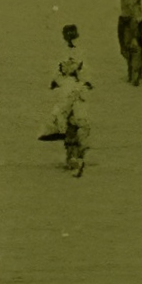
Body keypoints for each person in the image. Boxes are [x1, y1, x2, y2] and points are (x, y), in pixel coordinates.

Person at [44, 23, 92, 175]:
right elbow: (58, 71)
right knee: (66, 118)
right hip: (69, 89)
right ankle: (73, 153)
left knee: (78, 120)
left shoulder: (79, 52)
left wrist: (85, 80)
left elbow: (84, 69)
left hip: (75, 90)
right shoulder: (64, 53)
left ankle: (78, 152)